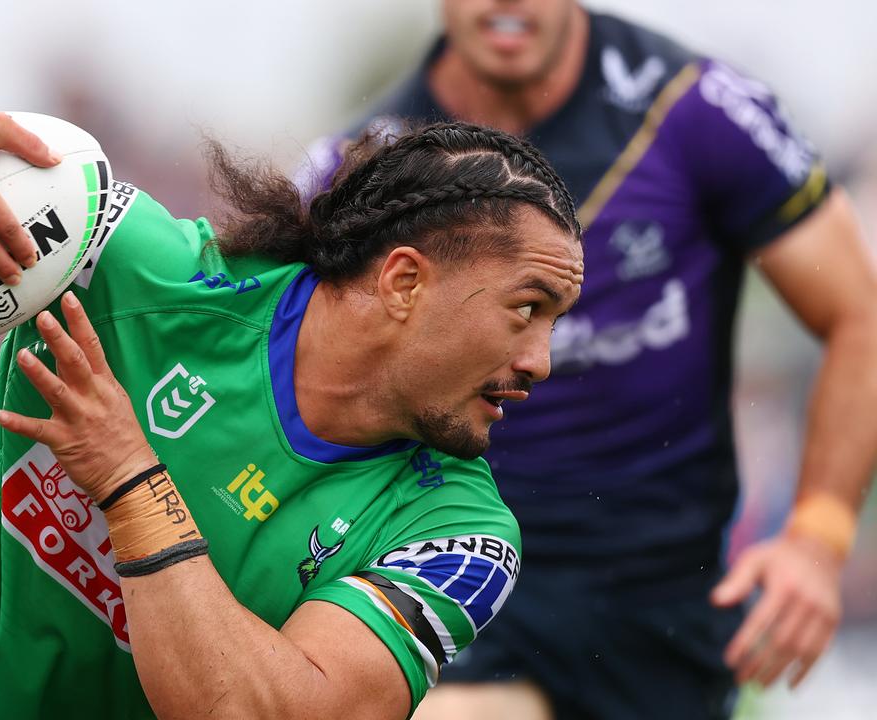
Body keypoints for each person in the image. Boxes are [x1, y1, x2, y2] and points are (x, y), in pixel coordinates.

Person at [0, 76, 584, 719]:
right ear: (403, 283)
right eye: (527, 308)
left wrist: (130, 479)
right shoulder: (142, 263)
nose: (544, 359)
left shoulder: (459, 534)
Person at [300, 2, 877, 719]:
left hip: (658, 604)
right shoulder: (360, 169)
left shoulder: (694, 111)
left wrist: (818, 540)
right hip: (459, 560)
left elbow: (861, 317)